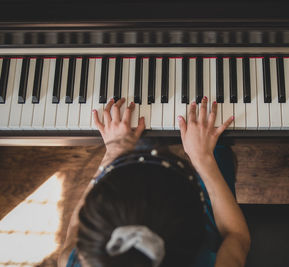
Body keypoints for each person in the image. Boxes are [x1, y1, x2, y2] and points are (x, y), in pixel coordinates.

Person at [58, 96, 251, 267]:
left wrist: (114, 153)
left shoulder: (73, 260)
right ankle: (215, 149)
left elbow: (75, 230)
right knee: (217, 156)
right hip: (201, 224)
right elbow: (237, 237)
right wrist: (203, 157)